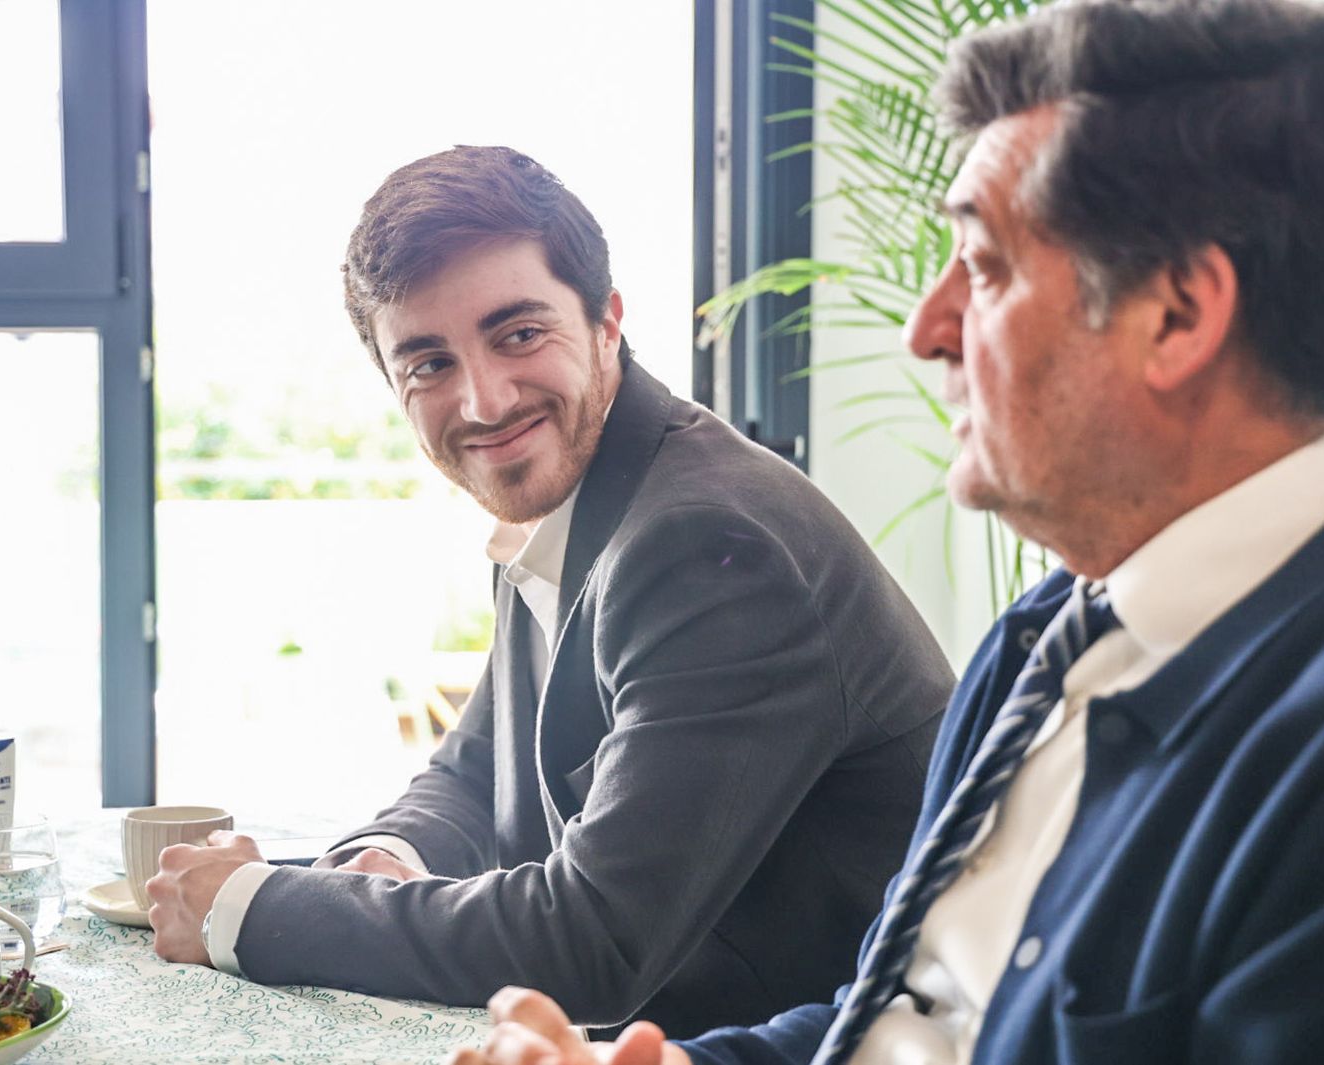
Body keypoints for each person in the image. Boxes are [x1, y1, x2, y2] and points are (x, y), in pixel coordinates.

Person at [450, 0, 1324, 1062]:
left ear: (1175, 313)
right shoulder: (1042, 641)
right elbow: (908, 1021)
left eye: (983, 267)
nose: (924, 324)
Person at [146, 145, 957, 1038]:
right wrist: (380, 857)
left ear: (607, 321)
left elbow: (591, 942)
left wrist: (254, 908)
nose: (485, 401)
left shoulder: (707, 543)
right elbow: (475, 765)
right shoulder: (580, 486)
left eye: (519, 334)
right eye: (428, 364)